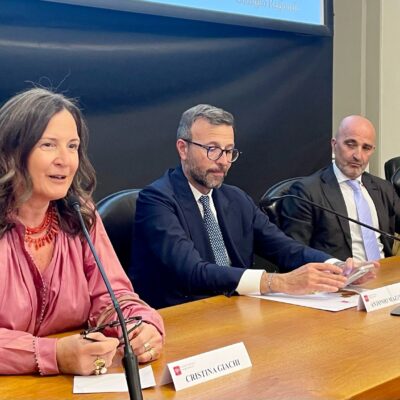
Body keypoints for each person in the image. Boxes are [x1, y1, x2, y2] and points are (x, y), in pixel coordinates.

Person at [128, 104, 372, 310]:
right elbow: (193, 272)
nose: (223, 161)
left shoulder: (235, 198)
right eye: (212, 150)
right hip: (184, 317)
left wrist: (336, 267)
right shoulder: (156, 200)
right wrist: (278, 282)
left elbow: (284, 247)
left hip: (236, 309)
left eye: (229, 151)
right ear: (183, 149)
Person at [0, 88, 164, 376]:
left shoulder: (79, 213)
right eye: (48, 145)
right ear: (11, 152)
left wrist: (141, 324)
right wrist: (54, 354)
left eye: (72, 146)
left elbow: (113, 297)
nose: (65, 160)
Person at [280, 115, 400, 261]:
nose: (358, 156)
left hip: (385, 271)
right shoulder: (306, 192)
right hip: (340, 274)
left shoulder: (383, 188)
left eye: (366, 148)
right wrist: (336, 266)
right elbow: (294, 253)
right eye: (350, 144)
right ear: (334, 145)